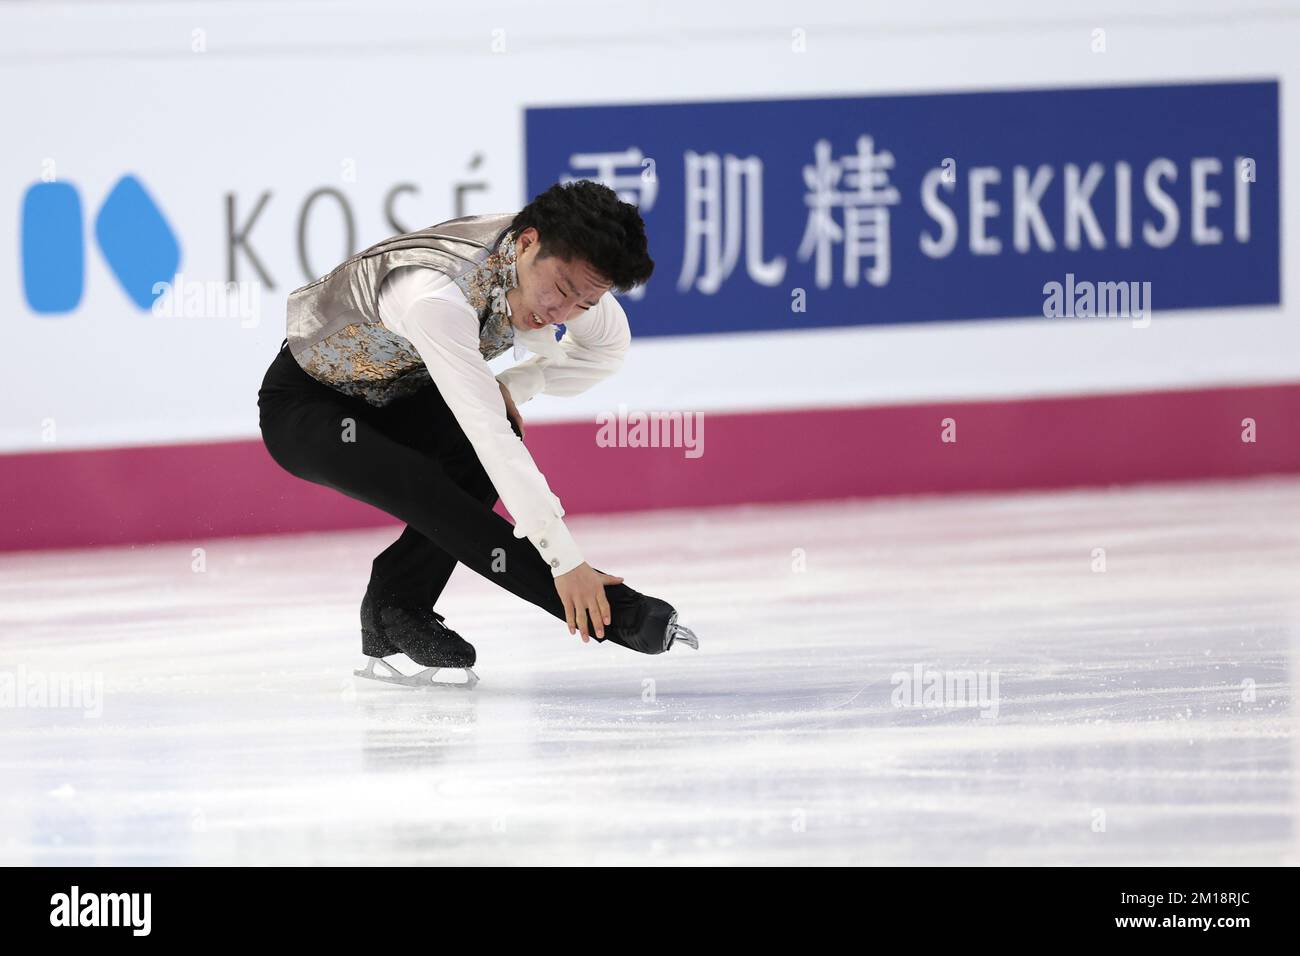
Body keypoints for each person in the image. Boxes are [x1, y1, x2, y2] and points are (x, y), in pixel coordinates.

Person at [256, 180, 697, 681]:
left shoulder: (569, 275)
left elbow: (607, 348)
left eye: (583, 305)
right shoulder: (433, 295)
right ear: (527, 242)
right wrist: (565, 562)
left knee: (494, 420)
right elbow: (491, 438)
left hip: (404, 394)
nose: (561, 315)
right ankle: (615, 614)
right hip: (309, 405)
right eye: (559, 292)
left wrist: (516, 382)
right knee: (428, 482)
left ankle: (397, 604)